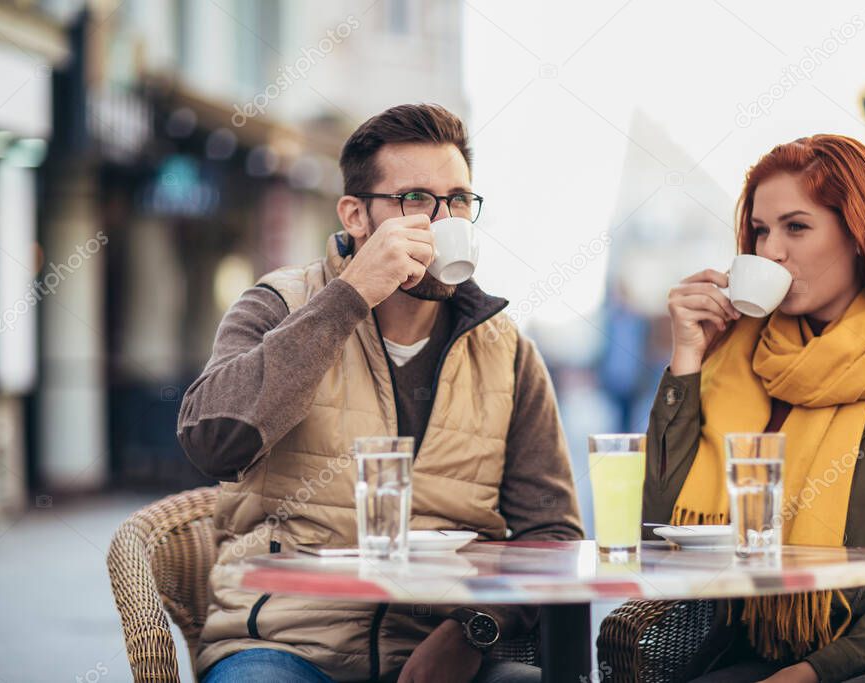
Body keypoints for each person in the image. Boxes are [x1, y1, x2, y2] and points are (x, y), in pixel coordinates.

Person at [177, 103, 583, 683]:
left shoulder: (508, 352)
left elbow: (553, 534)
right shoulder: (280, 305)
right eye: (416, 200)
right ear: (356, 216)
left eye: (459, 201)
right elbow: (213, 443)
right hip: (287, 645)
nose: (444, 219)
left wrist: (472, 627)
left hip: (442, 646)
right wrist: (351, 295)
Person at [644, 134, 865, 682]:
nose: (769, 252)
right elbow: (660, 532)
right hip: (766, 647)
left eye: (797, 227)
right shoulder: (742, 359)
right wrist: (687, 361)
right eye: (761, 231)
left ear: (859, 235)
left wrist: (816, 671)